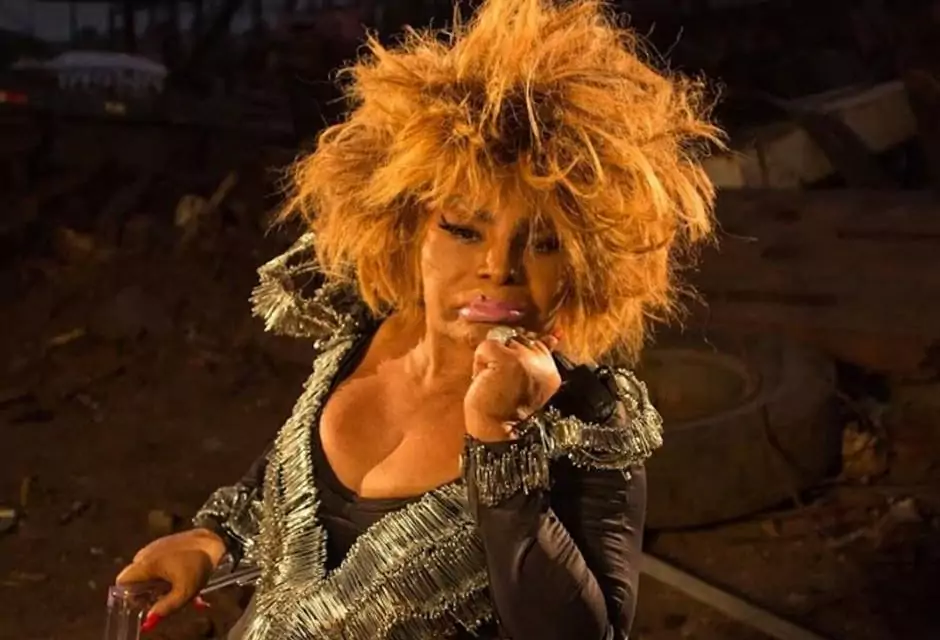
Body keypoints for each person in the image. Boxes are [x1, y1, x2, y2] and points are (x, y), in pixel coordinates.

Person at [115, 0, 722, 638]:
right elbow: (287, 486)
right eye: (464, 229)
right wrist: (210, 540)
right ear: (407, 226)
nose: (499, 267)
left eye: (543, 243)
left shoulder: (586, 418)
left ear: (585, 260)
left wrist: (502, 443)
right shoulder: (364, 334)